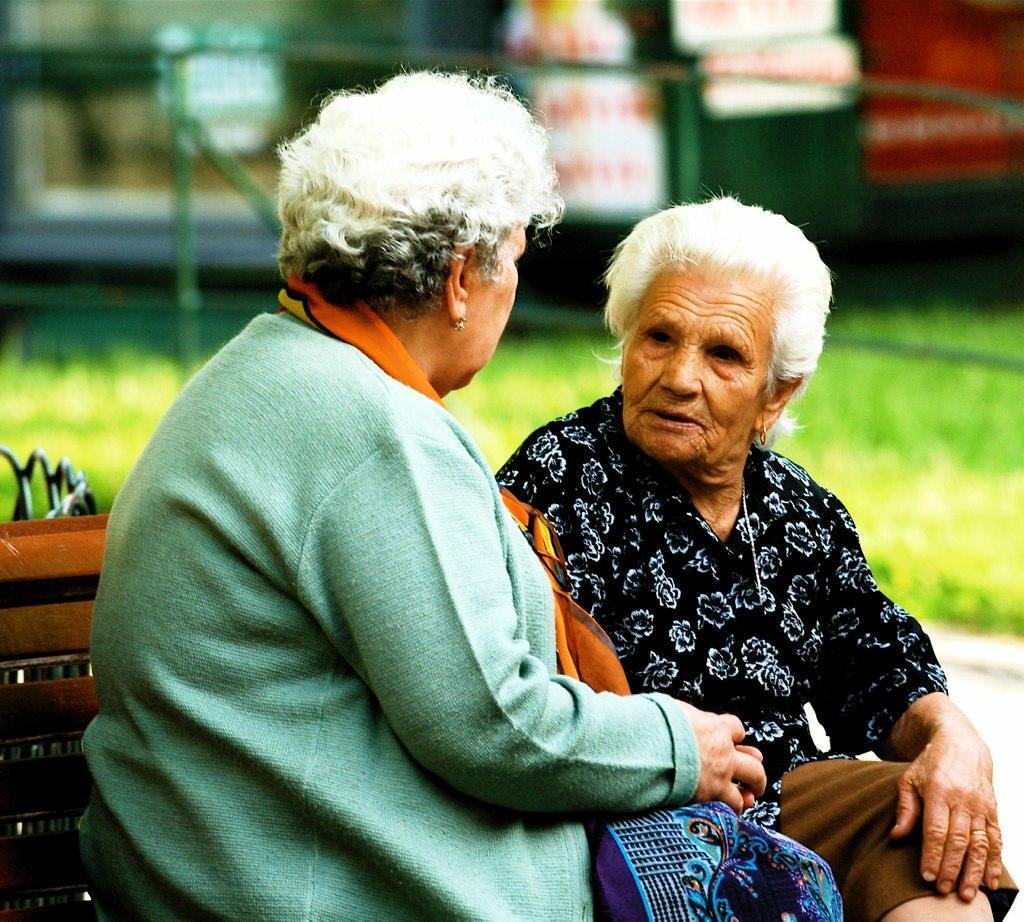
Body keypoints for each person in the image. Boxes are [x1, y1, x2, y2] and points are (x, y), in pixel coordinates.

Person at [80, 74, 779, 920]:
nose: (511, 292)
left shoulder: (278, 372)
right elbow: (492, 726)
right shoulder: (374, 431)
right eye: (514, 260)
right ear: (458, 280)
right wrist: (679, 746)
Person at [499, 197, 1018, 922]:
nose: (680, 376)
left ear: (777, 394)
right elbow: (517, 698)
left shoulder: (796, 508)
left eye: (723, 355)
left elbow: (877, 661)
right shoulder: (556, 477)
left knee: (929, 819)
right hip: (636, 811)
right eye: (659, 338)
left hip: (783, 803)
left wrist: (954, 739)